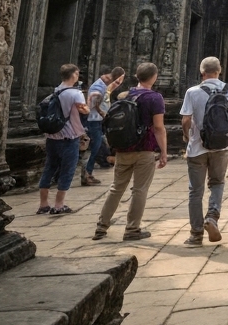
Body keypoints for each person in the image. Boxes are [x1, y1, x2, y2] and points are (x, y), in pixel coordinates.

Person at [93, 62, 168, 241]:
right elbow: (158, 128)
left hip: (123, 147)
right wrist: (163, 152)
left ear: (136, 76)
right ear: (155, 77)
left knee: (116, 188)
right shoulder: (155, 98)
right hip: (145, 148)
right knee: (139, 189)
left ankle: (101, 226)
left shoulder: (124, 95)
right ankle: (132, 228)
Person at [179, 57, 228, 247]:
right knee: (217, 183)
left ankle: (195, 234)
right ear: (219, 70)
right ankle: (213, 217)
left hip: (197, 148)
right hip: (221, 147)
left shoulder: (193, 92)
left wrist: (187, 137)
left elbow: (185, 120)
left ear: (201, 72)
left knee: (195, 191)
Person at [38, 64, 88, 215]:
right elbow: (83, 110)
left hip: (52, 136)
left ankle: (43, 204)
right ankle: (59, 205)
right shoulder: (75, 93)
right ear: (73, 75)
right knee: (67, 170)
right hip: (69, 137)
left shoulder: (56, 91)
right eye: (77, 74)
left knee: (49, 168)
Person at [81, 66, 124, 186]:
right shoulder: (98, 87)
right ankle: (86, 174)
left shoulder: (104, 86)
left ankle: (88, 173)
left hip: (98, 121)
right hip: (93, 121)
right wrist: (101, 111)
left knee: (97, 147)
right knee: (94, 148)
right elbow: (92, 102)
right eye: (119, 81)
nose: (118, 84)